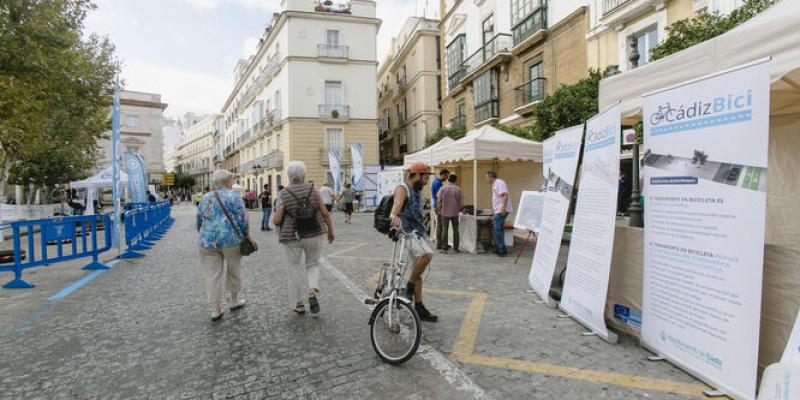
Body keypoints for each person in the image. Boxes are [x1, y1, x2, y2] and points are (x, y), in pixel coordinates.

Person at [273, 161, 335, 315]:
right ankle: (312, 292)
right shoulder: (314, 190)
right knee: (313, 264)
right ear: (303, 175)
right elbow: (325, 212)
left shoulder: (283, 193)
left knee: (293, 267)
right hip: (314, 232)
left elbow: (276, 220)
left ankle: (298, 303)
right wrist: (330, 231)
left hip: (292, 235)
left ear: (288, 175)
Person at [196, 169, 249, 321]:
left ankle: (215, 309)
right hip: (230, 240)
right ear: (227, 181)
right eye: (231, 180)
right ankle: (233, 301)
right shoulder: (234, 196)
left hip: (207, 241)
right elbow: (242, 219)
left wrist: (203, 233)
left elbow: (199, 219)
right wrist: (245, 234)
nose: (232, 183)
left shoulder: (205, 197)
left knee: (212, 275)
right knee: (234, 270)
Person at [389, 161, 438, 322]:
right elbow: (396, 205)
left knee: (419, 272)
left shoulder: (417, 189)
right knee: (427, 255)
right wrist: (393, 217)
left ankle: (419, 306)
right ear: (417, 175)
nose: (427, 181)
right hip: (407, 234)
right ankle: (408, 287)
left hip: (419, 233)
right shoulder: (402, 189)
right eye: (425, 177)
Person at [486, 171, 512, 257]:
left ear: (491, 177)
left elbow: (505, 194)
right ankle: (501, 248)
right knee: (498, 229)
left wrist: (503, 207)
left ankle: (501, 250)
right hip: (499, 210)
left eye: (487, 178)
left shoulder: (499, 182)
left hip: (501, 210)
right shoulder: (496, 184)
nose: (486, 180)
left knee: (498, 230)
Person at [437, 174, 462, 254]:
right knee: (456, 230)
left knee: (444, 229)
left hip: (444, 211)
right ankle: (456, 247)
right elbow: (461, 202)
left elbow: (439, 201)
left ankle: (444, 248)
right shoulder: (459, 189)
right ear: (455, 180)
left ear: (448, 180)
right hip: (455, 212)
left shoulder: (443, 188)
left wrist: (439, 209)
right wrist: (459, 209)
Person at [430, 169, 449, 250]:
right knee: (440, 225)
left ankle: (439, 243)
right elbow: (439, 197)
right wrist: (439, 207)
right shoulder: (438, 183)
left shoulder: (436, 182)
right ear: (443, 175)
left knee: (439, 225)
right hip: (439, 206)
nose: (447, 178)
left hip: (437, 205)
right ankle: (439, 244)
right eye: (446, 176)